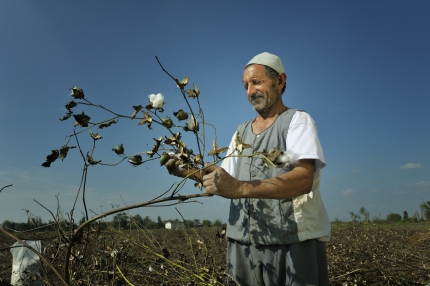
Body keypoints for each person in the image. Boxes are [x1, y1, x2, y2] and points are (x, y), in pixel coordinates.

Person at [167, 52, 330, 286]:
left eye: (256, 82)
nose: (250, 92)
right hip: (242, 243)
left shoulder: (296, 122)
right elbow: (224, 179)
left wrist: (241, 188)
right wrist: (186, 170)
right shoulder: (241, 133)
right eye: (245, 86)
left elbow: (303, 178)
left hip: (291, 241)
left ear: (280, 81)